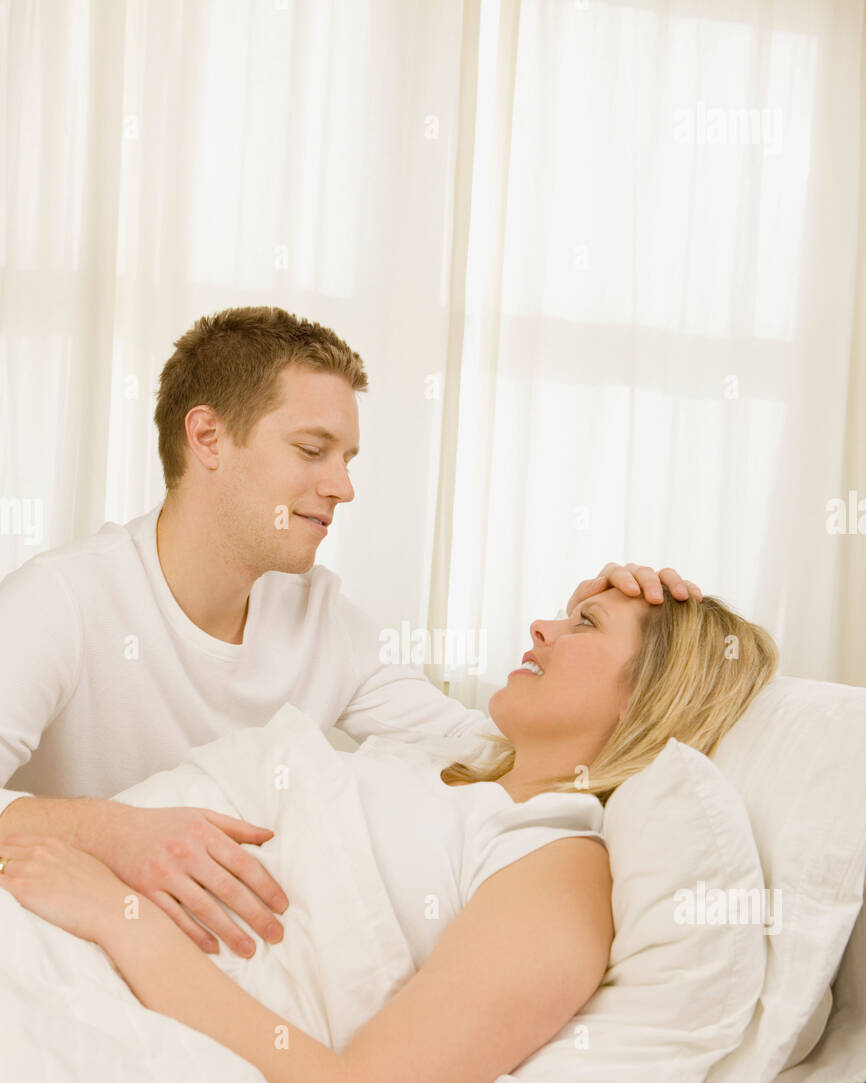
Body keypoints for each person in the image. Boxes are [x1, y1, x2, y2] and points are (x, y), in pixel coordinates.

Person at [0, 305, 701, 955]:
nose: (343, 486)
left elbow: (493, 751)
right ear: (208, 437)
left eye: (348, 459)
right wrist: (118, 834)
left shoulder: (321, 620)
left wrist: (609, 632)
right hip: (48, 946)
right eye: (313, 451)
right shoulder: (62, 601)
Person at [0, 582, 779, 1083]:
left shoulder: (557, 867)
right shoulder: (440, 764)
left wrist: (119, 916)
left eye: (585, 623)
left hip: (96, 971)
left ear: (649, 694)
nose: (542, 627)